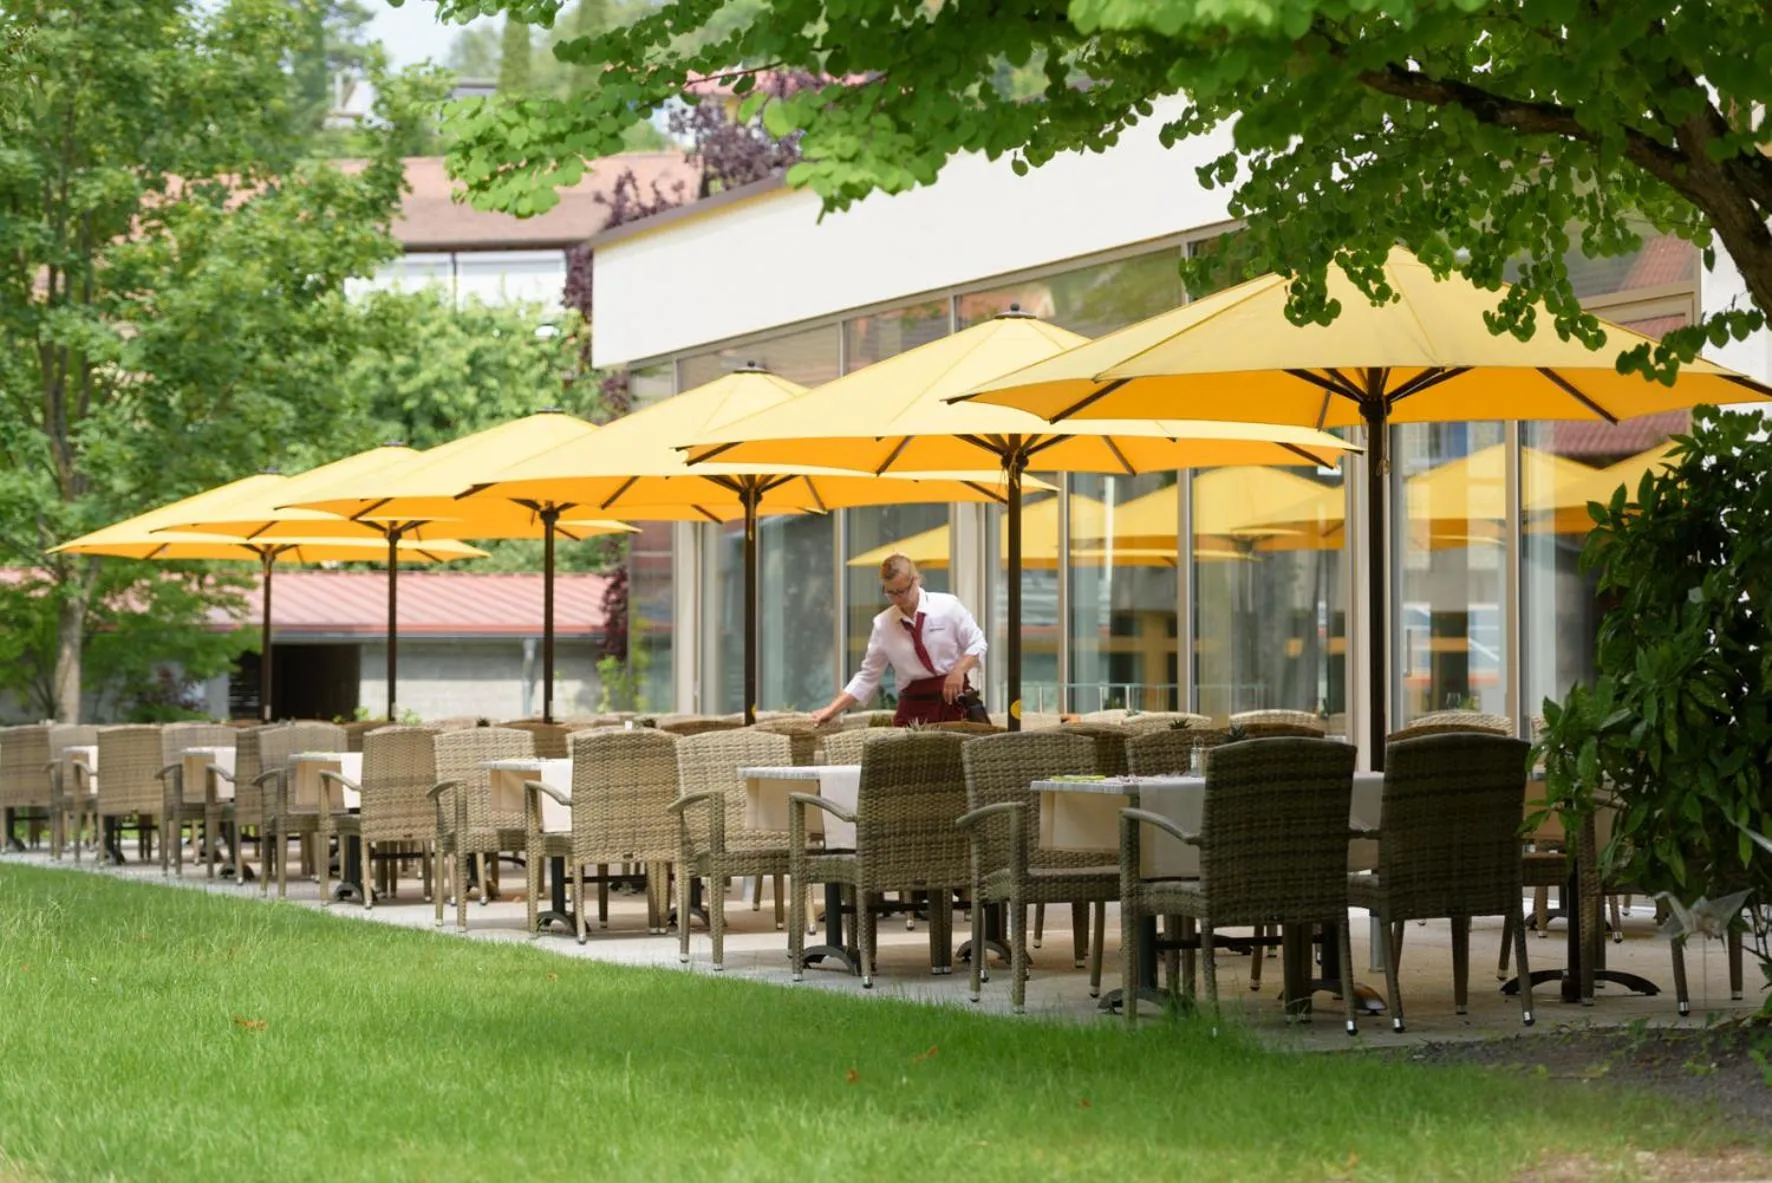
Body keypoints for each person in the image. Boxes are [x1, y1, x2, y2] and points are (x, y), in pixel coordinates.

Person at [810, 553, 987, 727]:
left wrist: (959, 670)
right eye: (890, 593)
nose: (897, 599)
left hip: (953, 701)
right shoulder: (883, 624)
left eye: (902, 591)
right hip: (913, 708)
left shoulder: (948, 606)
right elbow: (867, 676)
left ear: (916, 580)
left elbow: (977, 643)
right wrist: (831, 710)